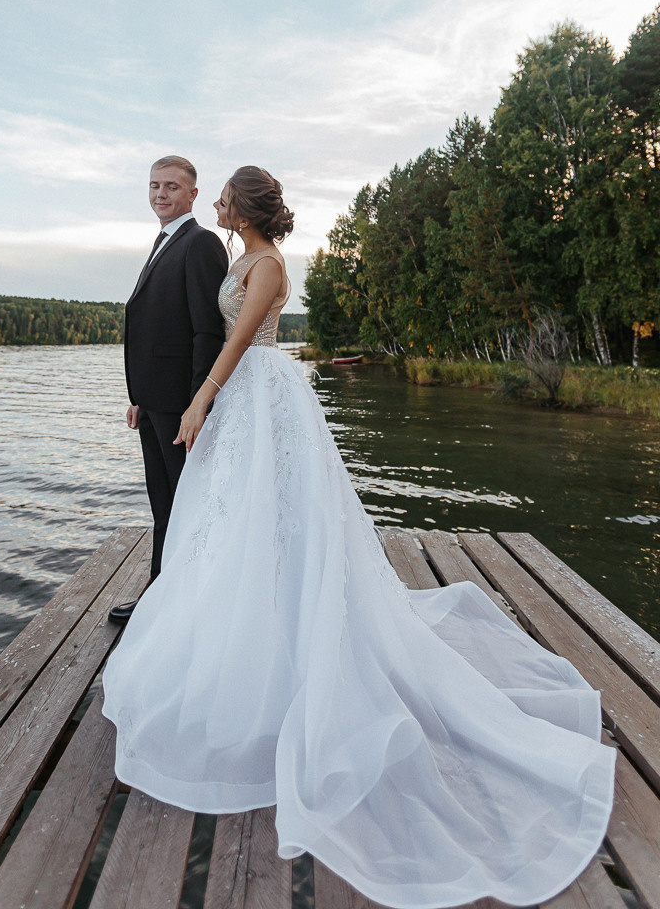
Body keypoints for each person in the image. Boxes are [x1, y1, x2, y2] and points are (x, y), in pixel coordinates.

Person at [102, 166, 615, 907]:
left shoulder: (268, 264)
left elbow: (241, 342)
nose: (213, 203)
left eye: (221, 198)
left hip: (258, 394)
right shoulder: (241, 255)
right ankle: (238, 621)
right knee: (227, 527)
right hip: (239, 400)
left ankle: (283, 633)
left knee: (272, 522)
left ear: (243, 208)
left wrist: (197, 402)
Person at [108, 155, 228, 624]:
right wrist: (138, 395)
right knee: (163, 501)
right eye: (155, 185)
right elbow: (152, 324)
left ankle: (180, 604)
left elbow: (206, 332)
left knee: (184, 502)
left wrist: (197, 404)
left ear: (193, 194)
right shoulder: (163, 242)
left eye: (172, 187)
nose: (161, 194)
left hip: (181, 406)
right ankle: (162, 594)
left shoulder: (200, 244)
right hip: (153, 403)